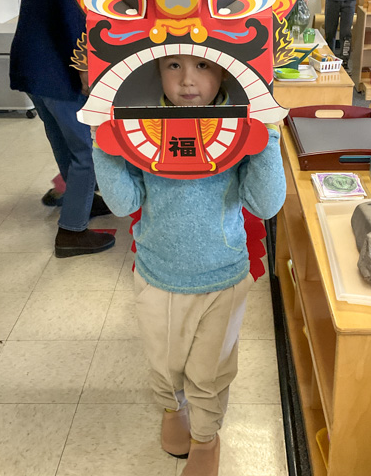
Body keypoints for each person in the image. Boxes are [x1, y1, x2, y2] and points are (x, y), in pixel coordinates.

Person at [93, 55, 286, 476]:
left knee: (210, 370)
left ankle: (206, 437)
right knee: (164, 361)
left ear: (225, 69)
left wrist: (267, 137)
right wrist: (104, 143)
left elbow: (265, 204)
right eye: (173, 66)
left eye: (202, 65)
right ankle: (170, 407)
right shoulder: (141, 125)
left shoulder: (241, 126)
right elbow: (124, 203)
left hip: (222, 274)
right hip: (157, 273)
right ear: (155, 69)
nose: (187, 81)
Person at [9, 0, 118, 258]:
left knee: (64, 140)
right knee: (86, 150)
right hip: (58, 62)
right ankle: (72, 231)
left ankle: (80, 201)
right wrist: (85, 63)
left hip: (34, 59)